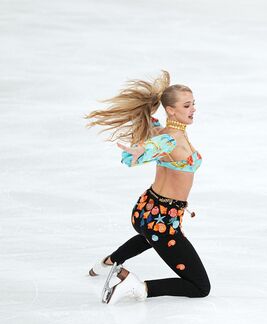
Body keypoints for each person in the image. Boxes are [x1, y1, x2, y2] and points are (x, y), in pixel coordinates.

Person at [85, 71, 210, 303]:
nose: (193, 109)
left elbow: (155, 142)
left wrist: (144, 147)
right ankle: (136, 286)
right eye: (186, 105)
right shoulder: (169, 139)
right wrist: (141, 152)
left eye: (193, 104)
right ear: (171, 110)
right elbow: (152, 149)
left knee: (148, 237)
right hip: (162, 221)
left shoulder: (161, 131)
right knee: (200, 287)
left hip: (146, 210)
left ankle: (106, 263)